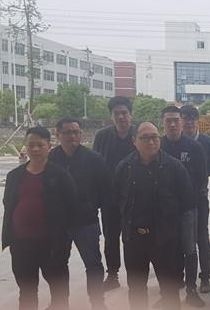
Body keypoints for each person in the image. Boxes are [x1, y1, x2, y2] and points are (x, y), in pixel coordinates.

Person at [112, 122, 195, 310]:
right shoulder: (125, 167)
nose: (151, 142)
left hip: (164, 240)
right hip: (134, 240)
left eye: (154, 137)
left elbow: (187, 202)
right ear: (134, 141)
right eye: (145, 138)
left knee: (169, 291)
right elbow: (116, 200)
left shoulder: (174, 167)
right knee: (136, 290)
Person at [2, 126, 77, 310]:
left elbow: (72, 207)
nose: (35, 149)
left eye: (40, 145)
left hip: (51, 244)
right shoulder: (14, 176)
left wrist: (64, 240)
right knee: (26, 291)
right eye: (31, 145)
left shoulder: (60, 175)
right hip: (21, 244)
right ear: (25, 147)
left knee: (59, 290)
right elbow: (8, 203)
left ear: (49, 147)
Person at [48, 118, 108, 310]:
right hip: (59, 224)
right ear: (57, 135)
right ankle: (59, 303)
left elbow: (105, 190)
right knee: (57, 264)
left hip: (86, 222)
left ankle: (98, 303)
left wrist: (91, 206)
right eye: (67, 132)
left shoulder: (94, 159)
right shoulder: (50, 159)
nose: (73, 136)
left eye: (76, 132)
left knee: (94, 265)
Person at [160, 106, 207, 307]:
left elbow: (202, 178)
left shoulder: (194, 147)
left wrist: (188, 200)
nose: (172, 124)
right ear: (162, 123)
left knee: (189, 249)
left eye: (176, 120)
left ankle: (191, 290)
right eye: (168, 120)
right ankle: (167, 294)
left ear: (181, 122)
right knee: (165, 251)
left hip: (188, 208)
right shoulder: (157, 146)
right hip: (162, 211)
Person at [93, 96, 136, 290]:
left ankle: (136, 275)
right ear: (111, 116)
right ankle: (112, 275)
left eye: (124, 113)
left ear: (130, 115)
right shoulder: (102, 137)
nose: (121, 117)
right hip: (110, 198)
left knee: (133, 238)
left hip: (135, 197)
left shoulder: (139, 134)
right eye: (116, 113)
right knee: (111, 237)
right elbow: (96, 165)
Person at [179, 104, 210, 294]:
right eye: (185, 118)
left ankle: (205, 277)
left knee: (201, 236)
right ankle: (181, 276)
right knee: (180, 239)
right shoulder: (175, 141)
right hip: (177, 200)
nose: (189, 122)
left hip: (200, 197)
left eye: (192, 118)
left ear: (197, 121)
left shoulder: (206, 142)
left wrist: (193, 181)